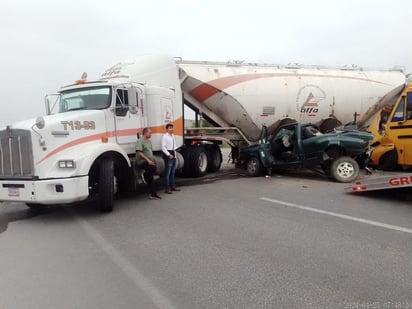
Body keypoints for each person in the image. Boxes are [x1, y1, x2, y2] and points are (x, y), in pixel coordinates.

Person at [136, 128, 161, 200]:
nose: (151, 134)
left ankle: (153, 194)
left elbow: (150, 152)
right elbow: (139, 152)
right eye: (150, 133)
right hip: (142, 161)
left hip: (149, 161)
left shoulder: (149, 142)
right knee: (153, 169)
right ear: (145, 133)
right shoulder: (140, 141)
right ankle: (144, 174)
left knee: (151, 179)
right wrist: (148, 160)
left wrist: (152, 160)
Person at [161, 123, 181, 194]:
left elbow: (174, 146)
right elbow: (163, 147)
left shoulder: (173, 136)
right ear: (167, 129)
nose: (171, 129)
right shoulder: (164, 136)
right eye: (170, 128)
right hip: (169, 155)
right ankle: (167, 188)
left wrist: (177, 149)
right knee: (168, 173)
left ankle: (173, 187)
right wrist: (168, 155)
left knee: (173, 173)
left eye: (172, 128)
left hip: (174, 154)